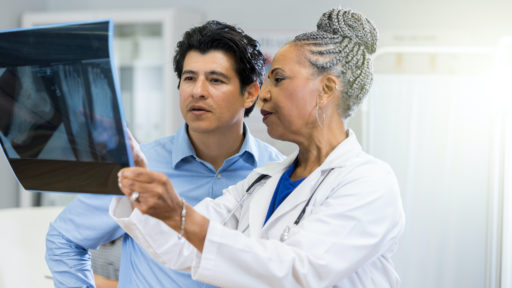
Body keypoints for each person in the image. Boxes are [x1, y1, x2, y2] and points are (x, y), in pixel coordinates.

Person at [112, 7, 405, 288]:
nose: (262, 95)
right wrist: (137, 185)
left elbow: (298, 272)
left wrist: (181, 215)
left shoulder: (369, 182)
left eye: (278, 79)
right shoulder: (263, 181)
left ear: (326, 89)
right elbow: (183, 246)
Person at [45, 20, 284, 288]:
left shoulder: (276, 172)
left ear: (250, 93)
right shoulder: (138, 168)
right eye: (189, 78)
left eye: (215, 80)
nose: (197, 91)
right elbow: (64, 238)